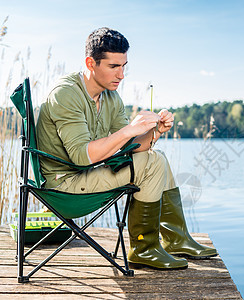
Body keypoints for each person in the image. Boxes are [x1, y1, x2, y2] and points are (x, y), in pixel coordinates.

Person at [36, 27, 217, 270]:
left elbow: (131, 147)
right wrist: (129, 130)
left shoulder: (111, 97)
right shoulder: (65, 94)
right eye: (113, 66)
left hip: (88, 175)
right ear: (91, 63)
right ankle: (144, 249)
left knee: (156, 156)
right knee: (152, 162)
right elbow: (82, 157)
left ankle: (176, 239)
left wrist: (155, 132)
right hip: (64, 186)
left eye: (124, 66)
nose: (121, 75)